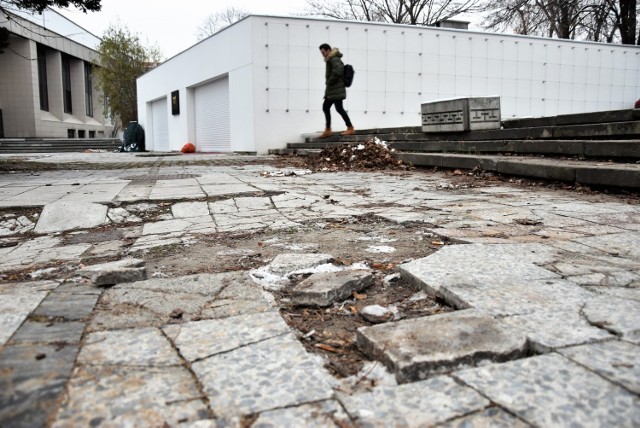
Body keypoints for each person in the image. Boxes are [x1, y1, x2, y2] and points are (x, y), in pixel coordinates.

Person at [318, 43, 355, 138]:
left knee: (339, 108)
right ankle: (328, 129)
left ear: (328, 50)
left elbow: (337, 71)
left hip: (336, 89)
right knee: (326, 107)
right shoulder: (331, 59)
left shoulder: (334, 59)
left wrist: (329, 82)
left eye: (323, 52)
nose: (322, 54)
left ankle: (350, 128)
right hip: (332, 89)